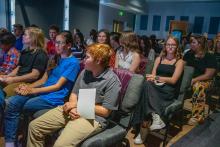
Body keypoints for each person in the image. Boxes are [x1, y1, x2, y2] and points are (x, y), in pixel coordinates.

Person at [27, 43, 121, 147]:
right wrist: (73, 107)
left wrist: (77, 106)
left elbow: (106, 111)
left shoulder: (112, 81)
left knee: (60, 145)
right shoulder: (85, 72)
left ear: (98, 61)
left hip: (94, 117)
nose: (83, 59)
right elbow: (74, 93)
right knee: (35, 126)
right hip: (74, 109)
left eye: (87, 57)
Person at [4, 31, 80, 147]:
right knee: (12, 101)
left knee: (13, 104)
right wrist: (28, 87)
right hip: (42, 93)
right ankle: (15, 141)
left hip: (53, 98)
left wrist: (32, 91)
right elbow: (43, 81)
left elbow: (57, 86)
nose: (56, 45)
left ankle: (12, 142)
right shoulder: (56, 59)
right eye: (56, 43)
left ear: (69, 45)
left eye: (60, 43)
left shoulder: (73, 63)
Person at [132, 36, 184, 144]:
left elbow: (173, 80)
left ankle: (142, 130)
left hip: (167, 90)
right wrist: (153, 78)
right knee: (147, 84)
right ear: (165, 46)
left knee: (145, 91)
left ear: (177, 47)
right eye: (168, 44)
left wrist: (156, 78)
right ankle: (155, 117)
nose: (170, 47)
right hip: (155, 87)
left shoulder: (179, 62)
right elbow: (153, 74)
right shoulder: (158, 59)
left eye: (173, 45)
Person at [0, 27, 48, 98]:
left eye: (25, 35)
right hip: (18, 79)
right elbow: (18, 68)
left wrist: (13, 79)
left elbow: (34, 75)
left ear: (33, 38)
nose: (22, 36)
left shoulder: (40, 54)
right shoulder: (25, 51)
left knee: (3, 94)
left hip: (26, 82)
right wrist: (8, 76)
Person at [183, 34, 217, 125]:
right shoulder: (188, 54)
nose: (191, 44)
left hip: (206, 81)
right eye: (191, 42)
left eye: (193, 42)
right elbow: (182, 67)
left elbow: (208, 75)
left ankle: (197, 116)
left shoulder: (210, 56)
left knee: (198, 86)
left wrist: (194, 80)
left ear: (200, 44)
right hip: (190, 79)